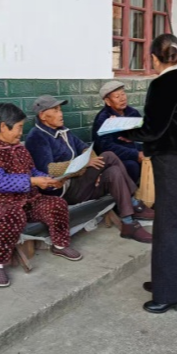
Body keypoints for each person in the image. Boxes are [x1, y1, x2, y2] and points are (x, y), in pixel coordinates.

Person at [122, 34, 177, 314]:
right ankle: (171, 283)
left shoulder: (163, 83)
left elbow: (153, 129)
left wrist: (125, 132)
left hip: (172, 163)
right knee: (174, 224)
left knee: (167, 227)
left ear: (155, 58)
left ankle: (169, 295)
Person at [0, 103, 81, 288]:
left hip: (26, 200)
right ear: (3, 127)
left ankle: (60, 245)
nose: (21, 132)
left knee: (56, 204)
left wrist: (47, 179)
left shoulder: (19, 148)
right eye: (19, 127)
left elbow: (32, 171)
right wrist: (32, 181)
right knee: (13, 215)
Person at [25, 95, 153, 244]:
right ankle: (135, 203)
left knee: (114, 172)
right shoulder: (37, 137)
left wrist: (96, 168)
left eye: (60, 109)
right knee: (109, 156)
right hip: (64, 190)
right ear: (43, 115)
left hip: (80, 183)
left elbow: (85, 148)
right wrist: (83, 165)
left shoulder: (63, 130)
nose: (61, 114)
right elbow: (49, 170)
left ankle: (128, 223)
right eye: (55, 110)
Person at [91, 81, 143, 185]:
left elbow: (143, 132)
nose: (122, 99)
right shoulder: (103, 119)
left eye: (123, 94)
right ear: (108, 101)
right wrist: (135, 154)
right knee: (132, 165)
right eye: (117, 96)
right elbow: (106, 147)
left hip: (133, 147)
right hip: (115, 156)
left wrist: (133, 137)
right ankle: (129, 192)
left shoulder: (132, 113)